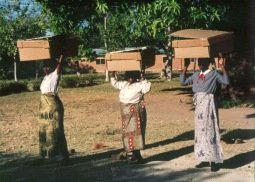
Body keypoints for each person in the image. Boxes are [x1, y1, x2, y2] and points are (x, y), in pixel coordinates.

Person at [180, 58, 229, 172]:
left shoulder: (214, 74)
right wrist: (185, 67)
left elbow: (226, 82)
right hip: (199, 107)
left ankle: (214, 160)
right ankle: (204, 158)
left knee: (210, 130)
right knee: (200, 132)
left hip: (209, 104)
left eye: (203, 62)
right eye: (199, 62)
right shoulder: (196, 75)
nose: (200, 64)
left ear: (209, 63)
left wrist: (222, 67)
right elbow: (182, 82)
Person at [110, 70, 151, 164]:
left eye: (132, 76)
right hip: (126, 113)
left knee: (137, 133)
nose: (130, 79)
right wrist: (113, 74)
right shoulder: (124, 84)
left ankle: (136, 156)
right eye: (129, 77)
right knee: (128, 134)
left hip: (135, 112)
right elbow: (115, 83)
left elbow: (147, 87)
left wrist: (143, 78)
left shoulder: (140, 85)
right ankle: (132, 154)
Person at [38, 54, 69, 161]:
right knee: (45, 129)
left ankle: (60, 154)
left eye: (47, 66)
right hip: (44, 108)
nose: (45, 69)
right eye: (44, 67)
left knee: (56, 129)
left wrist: (61, 56)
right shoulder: (45, 78)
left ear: (52, 67)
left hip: (54, 106)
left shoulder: (54, 75)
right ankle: (47, 153)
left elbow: (59, 66)